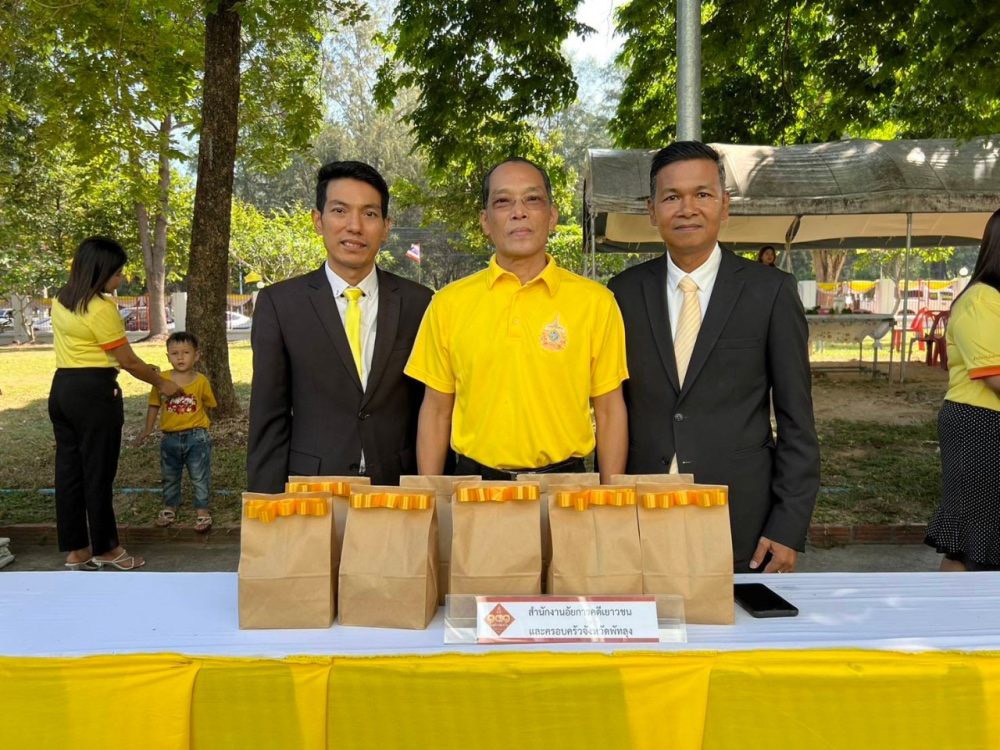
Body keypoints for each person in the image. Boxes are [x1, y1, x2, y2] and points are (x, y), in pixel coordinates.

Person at [607, 142, 819, 573]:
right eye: (672, 196)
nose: (687, 208)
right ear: (652, 210)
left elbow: (797, 421)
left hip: (739, 518)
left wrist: (787, 524)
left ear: (725, 205)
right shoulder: (622, 293)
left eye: (702, 194)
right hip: (638, 514)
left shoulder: (770, 291)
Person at [405, 157, 629, 482]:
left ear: (552, 216)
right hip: (475, 489)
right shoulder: (448, 304)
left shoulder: (596, 303)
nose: (519, 212)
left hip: (566, 488)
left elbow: (609, 411)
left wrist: (611, 498)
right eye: (503, 201)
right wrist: (431, 494)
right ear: (485, 221)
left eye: (532, 199)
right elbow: (436, 411)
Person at [247, 161, 432, 491]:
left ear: (386, 226)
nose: (355, 226)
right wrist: (267, 503)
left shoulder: (419, 302)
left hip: (398, 489)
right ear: (318, 221)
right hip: (312, 488)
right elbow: (269, 415)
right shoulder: (280, 303)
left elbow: (430, 409)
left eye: (370, 214)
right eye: (340, 211)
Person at [49, 236, 182, 570]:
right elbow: (128, 361)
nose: (121, 279)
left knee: (69, 473)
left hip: (62, 388)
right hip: (95, 393)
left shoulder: (61, 299)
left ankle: (76, 550)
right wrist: (162, 383)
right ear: (100, 272)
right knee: (98, 472)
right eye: (118, 273)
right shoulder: (101, 308)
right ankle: (107, 550)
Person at [925, 208, 1000, 571]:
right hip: (980, 425)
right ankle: (950, 609)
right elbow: (993, 375)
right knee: (971, 542)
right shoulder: (981, 300)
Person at [136, 332, 217, 532]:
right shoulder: (161, 380)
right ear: (167, 356)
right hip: (169, 438)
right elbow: (154, 405)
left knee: (199, 475)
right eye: (174, 353)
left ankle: (202, 511)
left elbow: (209, 404)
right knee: (170, 475)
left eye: (186, 353)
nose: (180, 357)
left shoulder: (201, 381)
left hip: (196, 437)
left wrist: (202, 426)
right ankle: (170, 507)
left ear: (196, 356)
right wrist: (148, 429)